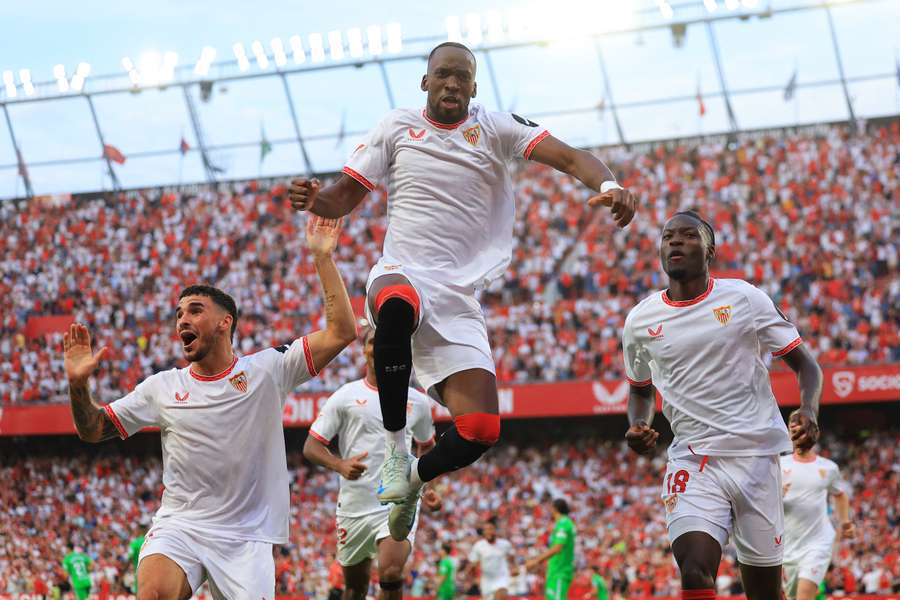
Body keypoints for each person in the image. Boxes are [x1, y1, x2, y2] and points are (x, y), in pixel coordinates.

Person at [288, 41, 636, 539]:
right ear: (425, 82)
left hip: (459, 297)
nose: (452, 84)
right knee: (394, 309)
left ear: (474, 87)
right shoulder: (396, 126)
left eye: (462, 77)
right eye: (443, 75)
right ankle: (395, 451)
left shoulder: (494, 128)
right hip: (403, 271)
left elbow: (570, 157)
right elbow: (344, 195)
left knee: (481, 431)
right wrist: (314, 197)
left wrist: (607, 187)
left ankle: (410, 481)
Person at [62, 216, 357, 600]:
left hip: (244, 539)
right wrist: (77, 387)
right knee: (153, 592)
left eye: (195, 310)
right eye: (179, 314)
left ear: (224, 322)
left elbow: (342, 331)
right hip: (181, 526)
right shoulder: (162, 387)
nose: (183, 319)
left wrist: (322, 257)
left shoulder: (268, 370)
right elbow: (92, 430)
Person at [622, 211, 824, 600]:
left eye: (687, 235)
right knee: (695, 569)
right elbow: (640, 390)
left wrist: (809, 411)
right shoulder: (640, 320)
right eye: (667, 237)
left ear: (709, 249)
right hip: (693, 458)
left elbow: (806, 365)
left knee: (765, 593)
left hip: (757, 457)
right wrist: (637, 424)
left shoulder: (744, 298)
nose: (675, 242)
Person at [304, 327, 441, 599]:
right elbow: (311, 446)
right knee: (355, 590)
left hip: (396, 502)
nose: (379, 348)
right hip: (354, 507)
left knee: (391, 573)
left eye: (388, 342)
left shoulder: (418, 402)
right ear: (364, 350)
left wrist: (428, 486)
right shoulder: (345, 396)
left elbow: (428, 447)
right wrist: (340, 465)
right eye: (373, 342)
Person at [781, 414, 855, 600]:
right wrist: (777, 496)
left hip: (818, 543)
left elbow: (840, 494)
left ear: (813, 434)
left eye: (801, 429)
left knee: (804, 596)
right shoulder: (779, 466)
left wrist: (845, 522)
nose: (797, 433)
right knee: (792, 597)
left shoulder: (828, 468)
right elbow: (763, 503)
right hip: (788, 546)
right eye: (793, 429)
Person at [525, 498, 576, 600]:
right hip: (554, 571)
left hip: (560, 571)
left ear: (554, 509)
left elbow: (557, 548)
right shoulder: (561, 524)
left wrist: (536, 561)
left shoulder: (564, 523)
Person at [465, 517, 515, 600]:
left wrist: (514, 568)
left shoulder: (505, 544)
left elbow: (512, 558)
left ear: (495, 530)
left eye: (490, 529)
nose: (488, 532)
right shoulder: (479, 546)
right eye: (486, 529)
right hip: (486, 581)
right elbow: (472, 564)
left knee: (501, 595)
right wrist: (473, 578)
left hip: (501, 578)